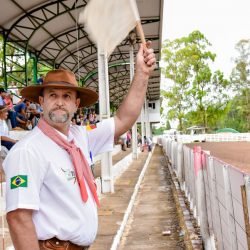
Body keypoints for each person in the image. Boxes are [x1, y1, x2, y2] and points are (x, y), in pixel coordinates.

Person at [3, 41, 156, 250]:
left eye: (66, 96)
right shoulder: (28, 151)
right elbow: (18, 218)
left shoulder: (79, 137)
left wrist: (142, 74)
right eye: (53, 95)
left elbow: (123, 119)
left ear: (76, 104)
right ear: (41, 100)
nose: (59, 102)